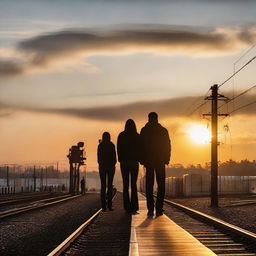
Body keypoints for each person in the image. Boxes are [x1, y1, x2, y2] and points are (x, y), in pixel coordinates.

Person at [140, 112, 171, 217]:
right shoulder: (163, 130)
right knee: (161, 185)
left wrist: (142, 160)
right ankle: (159, 208)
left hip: (149, 162)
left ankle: (150, 209)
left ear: (148, 119)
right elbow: (168, 145)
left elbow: (141, 146)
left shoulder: (144, 130)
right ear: (157, 119)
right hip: (160, 161)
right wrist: (167, 159)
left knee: (149, 185)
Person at [117, 119, 140, 214]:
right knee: (133, 185)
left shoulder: (121, 135)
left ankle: (127, 207)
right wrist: (139, 159)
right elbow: (141, 148)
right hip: (134, 162)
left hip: (124, 163)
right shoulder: (137, 135)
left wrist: (120, 159)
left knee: (125, 185)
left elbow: (118, 148)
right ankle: (134, 207)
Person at [97, 132, 116, 211]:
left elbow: (98, 158)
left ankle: (103, 206)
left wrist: (102, 164)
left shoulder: (100, 146)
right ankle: (110, 206)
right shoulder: (112, 145)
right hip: (111, 168)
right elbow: (115, 158)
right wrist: (112, 164)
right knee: (110, 185)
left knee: (103, 186)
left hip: (102, 168)